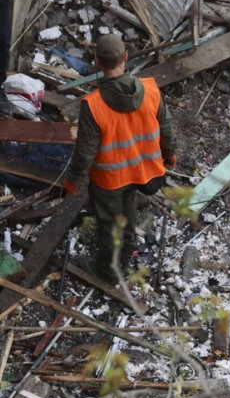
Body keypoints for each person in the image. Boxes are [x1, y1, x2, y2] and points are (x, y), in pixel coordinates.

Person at [64, 34, 177, 285]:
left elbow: (86, 150)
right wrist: (169, 153)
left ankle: (108, 270)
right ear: (126, 57)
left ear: (96, 62)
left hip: (108, 179)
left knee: (110, 225)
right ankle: (127, 249)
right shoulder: (150, 90)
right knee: (127, 210)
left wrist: (76, 180)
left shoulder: (93, 106)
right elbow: (166, 127)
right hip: (141, 172)